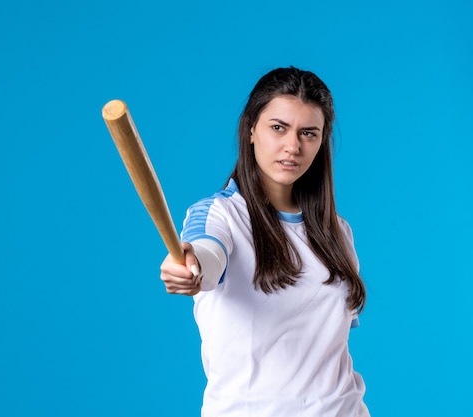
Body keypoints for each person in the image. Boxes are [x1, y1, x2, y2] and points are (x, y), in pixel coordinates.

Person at [159, 67, 370, 417]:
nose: (293, 146)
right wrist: (189, 267)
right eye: (278, 128)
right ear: (251, 129)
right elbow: (206, 256)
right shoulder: (220, 215)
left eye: (309, 133)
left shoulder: (338, 232)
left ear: (321, 141)